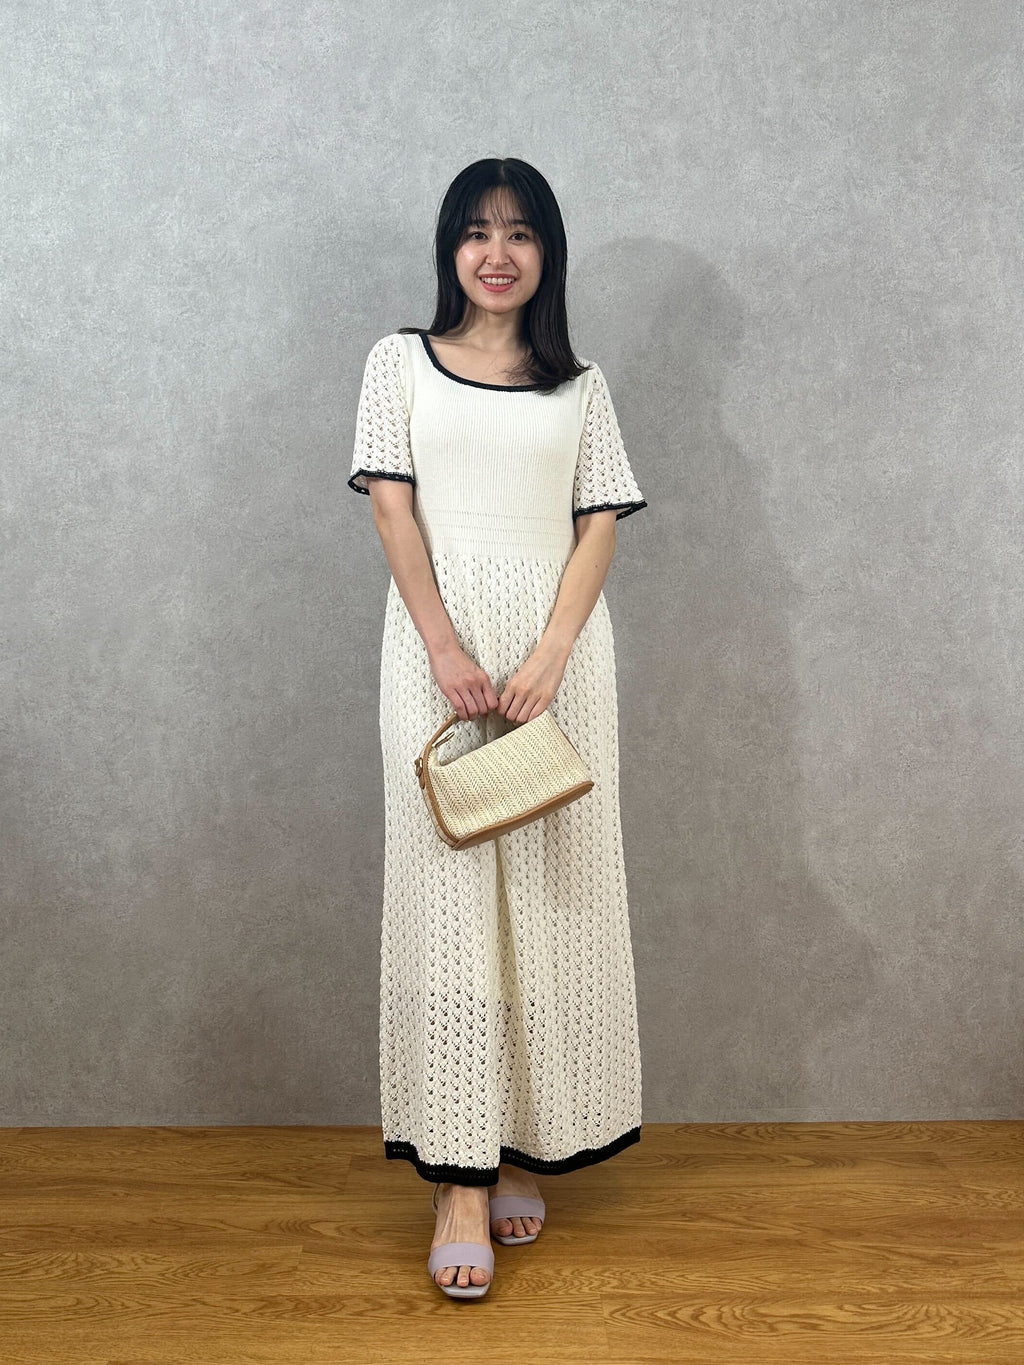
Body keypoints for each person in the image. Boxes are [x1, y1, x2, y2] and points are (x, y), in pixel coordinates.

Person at [348, 157, 648, 1299]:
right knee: (450, 898)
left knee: (551, 894)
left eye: (520, 232)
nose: (497, 252)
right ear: (450, 247)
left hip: (556, 661)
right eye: (477, 231)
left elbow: (598, 523)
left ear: (547, 253)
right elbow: (392, 506)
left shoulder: (582, 385)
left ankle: (519, 1139)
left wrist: (551, 656)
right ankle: (458, 1178)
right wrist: (444, 648)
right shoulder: (397, 362)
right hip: (439, 654)